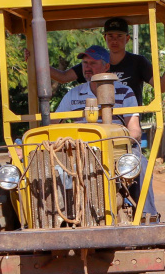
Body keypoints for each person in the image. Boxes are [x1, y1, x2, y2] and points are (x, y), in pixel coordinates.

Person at [55, 45, 155, 215]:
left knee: (139, 163)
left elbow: (135, 130)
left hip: (117, 150)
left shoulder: (125, 92)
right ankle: (59, 215)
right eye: (85, 63)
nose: (87, 67)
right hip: (80, 150)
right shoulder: (73, 94)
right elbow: (52, 124)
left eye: (93, 63)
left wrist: (118, 145)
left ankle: (148, 216)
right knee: (52, 167)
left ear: (106, 66)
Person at [51, 17, 165, 104]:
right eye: (110, 36)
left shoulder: (139, 62)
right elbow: (63, 77)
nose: (114, 41)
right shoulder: (95, 62)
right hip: (101, 123)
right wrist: (32, 62)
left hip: (129, 123)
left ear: (127, 39)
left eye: (119, 36)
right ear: (105, 38)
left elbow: (161, 87)